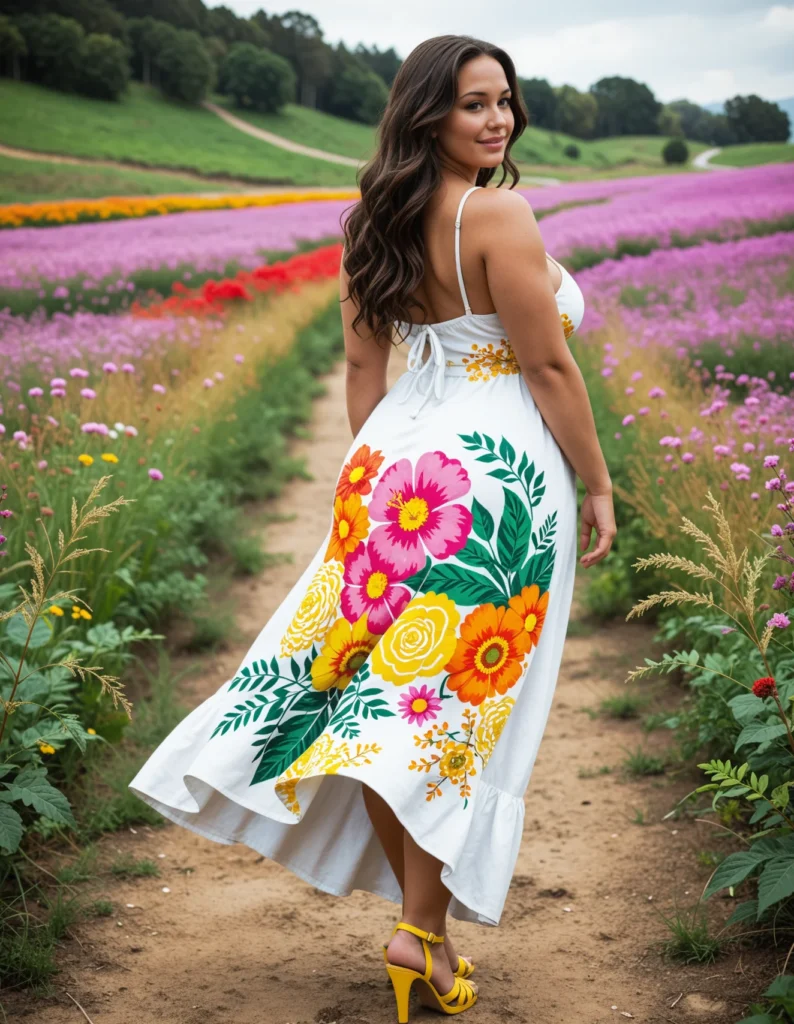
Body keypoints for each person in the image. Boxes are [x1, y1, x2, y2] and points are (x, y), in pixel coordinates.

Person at [129, 33, 616, 1023]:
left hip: (395, 485)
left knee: (383, 706)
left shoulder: (371, 221)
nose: (497, 119)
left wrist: (379, 478)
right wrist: (597, 483)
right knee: (440, 714)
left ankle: (419, 934)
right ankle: (419, 934)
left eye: (504, 102)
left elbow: (365, 377)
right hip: (496, 485)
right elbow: (548, 369)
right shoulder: (499, 214)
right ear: (427, 112)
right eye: (474, 103)